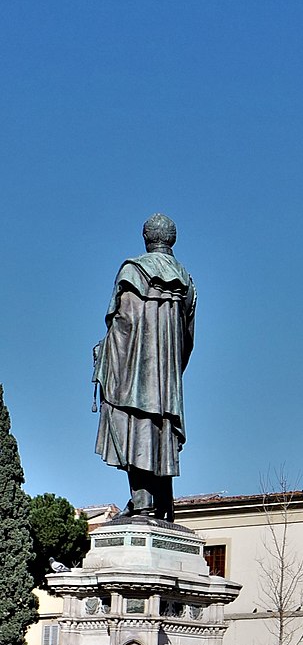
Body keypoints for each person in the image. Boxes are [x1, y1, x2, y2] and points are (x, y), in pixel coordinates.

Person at [94, 214, 196, 522]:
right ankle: (163, 499)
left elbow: (121, 321)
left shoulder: (132, 270)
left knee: (131, 422)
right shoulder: (187, 281)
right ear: (171, 240)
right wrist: (171, 367)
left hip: (135, 368)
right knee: (159, 428)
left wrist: (106, 354)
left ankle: (142, 501)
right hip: (165, 379)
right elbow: (187, 336)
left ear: (145, 237)